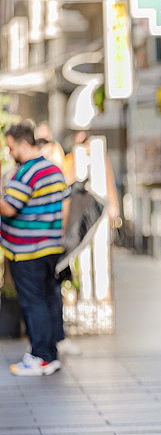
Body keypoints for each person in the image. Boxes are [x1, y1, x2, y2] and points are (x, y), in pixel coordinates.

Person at [1, 123, 71, 376]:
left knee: (34, 302)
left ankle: (41, 355)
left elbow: (9, 208)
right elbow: (66, 203)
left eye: (10, 147)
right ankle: (49, 354)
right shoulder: (54, 169)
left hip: (27, 249)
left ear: (22, 144)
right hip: (50, 246)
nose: (10, 153)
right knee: (48, 298)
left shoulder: (28, 172)